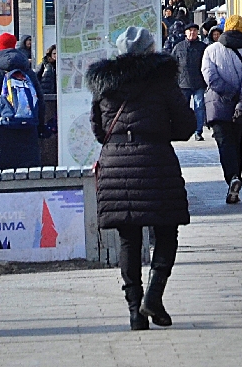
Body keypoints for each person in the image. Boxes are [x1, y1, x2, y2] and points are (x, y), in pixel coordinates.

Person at [89, 26, 193, 330]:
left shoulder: (104, 85)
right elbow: (186, 126)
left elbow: (98, 131)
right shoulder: (163, 81)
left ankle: (135, 312)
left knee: (128, 238)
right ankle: (154, 295)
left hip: (116, 164)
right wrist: (158, 134)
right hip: (156, 160)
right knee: (166, 232)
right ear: (150, 51)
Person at [201, 15, 242, 204]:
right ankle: (236, 179)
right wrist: (241, 99)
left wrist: (227, 92)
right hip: (241, 106)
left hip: (217, 105)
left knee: (224, 144)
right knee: (236, 143)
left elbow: (210, 77)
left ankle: (232, 178)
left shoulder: (210, 50)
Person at [0, 33, 45, 170]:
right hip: (27, 132)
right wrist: (40, 128)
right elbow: (40, 100)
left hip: (0, 134)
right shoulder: (28, 72)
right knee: (28, 179)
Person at [171, 24, 208, 141]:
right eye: (190, 31)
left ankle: (198, 131)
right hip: (183, 83)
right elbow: (172, 64)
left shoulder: (202, 47)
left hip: (199, 82)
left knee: (199, 107)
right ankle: (183, 130)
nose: (192, 33)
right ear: (185, 33)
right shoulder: (179, 47)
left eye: (194, 31)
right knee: (183, 108)